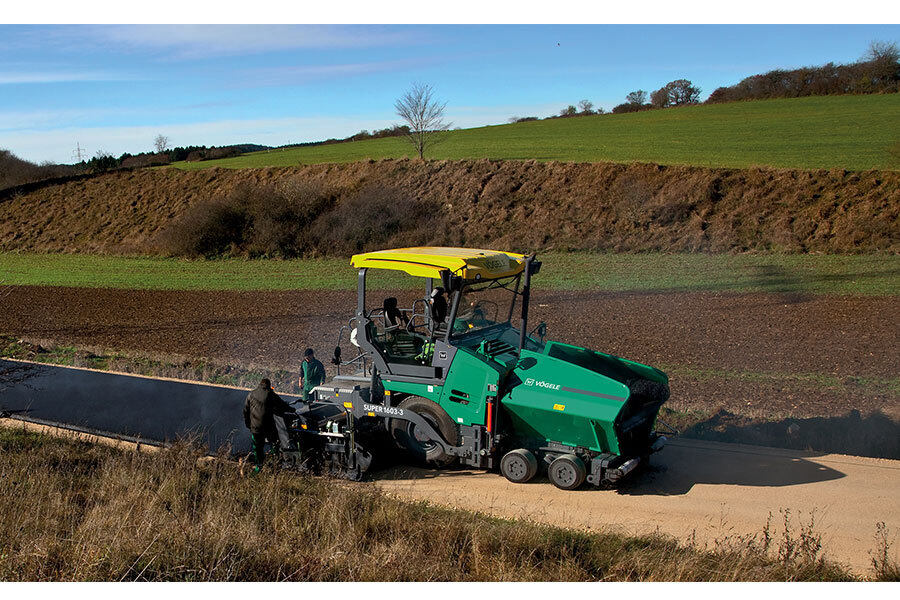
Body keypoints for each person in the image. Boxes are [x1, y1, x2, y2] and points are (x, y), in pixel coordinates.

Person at [243, 378, 294, 473]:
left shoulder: (251, 394)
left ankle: (259, 466)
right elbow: (282, 405)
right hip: (268, 426)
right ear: (269, 385)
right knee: (274, 443)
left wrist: (248, 424)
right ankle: (275, 463)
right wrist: (292, 410)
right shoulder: (270, 394)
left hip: (255, 427)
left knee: (257, 447)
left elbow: (245, 411)